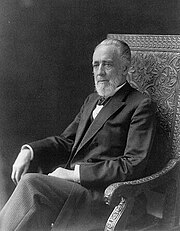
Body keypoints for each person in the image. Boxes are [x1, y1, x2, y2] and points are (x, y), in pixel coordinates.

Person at [0, 39, 156, 231]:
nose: (99, 72)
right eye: (95, 65)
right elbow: (67, 141)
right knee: (31, 198)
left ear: (124, 68)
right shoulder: (91, 100)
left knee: (31, 183)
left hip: (106, 196)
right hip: (78, 189)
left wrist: (74, 175)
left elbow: (133, 165)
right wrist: (29, 151)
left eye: (107, 64)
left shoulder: (140, 105)